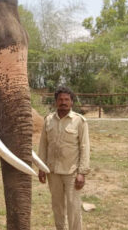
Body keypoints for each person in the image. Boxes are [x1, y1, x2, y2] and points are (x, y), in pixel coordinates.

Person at [38, 86, 90, 230]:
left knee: (73, 208)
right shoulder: (48, 120)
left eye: (67, 99)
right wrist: (41, 168)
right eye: (60, 99)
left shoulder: (79, 121)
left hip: (72, 172)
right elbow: (43, 145)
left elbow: (84, 147)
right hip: (52, 172)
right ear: (55, 102)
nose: (63, 102)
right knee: (57, 207)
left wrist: (82, 173)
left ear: (72, 102)